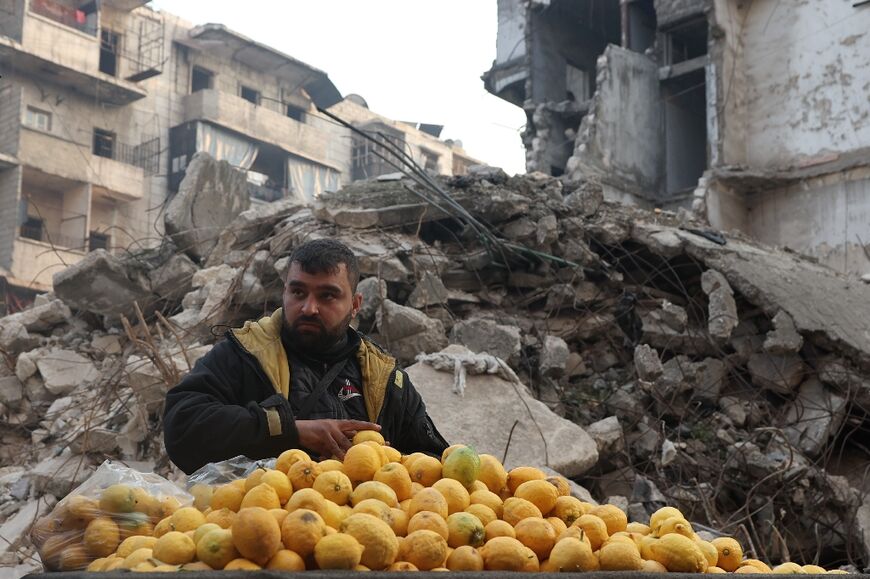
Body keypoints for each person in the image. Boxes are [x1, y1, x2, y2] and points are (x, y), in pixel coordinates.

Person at [163, 239, 449, 474]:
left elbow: (435, 463)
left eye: (327, 296)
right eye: (298, 292)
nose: (309, 307)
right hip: (260, 528)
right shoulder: (245, 354)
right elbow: (182, 426)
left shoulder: (384, 379)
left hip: (362, 528)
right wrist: (291, 431)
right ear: (284, 292)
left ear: (355, 304)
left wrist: (388, 461)